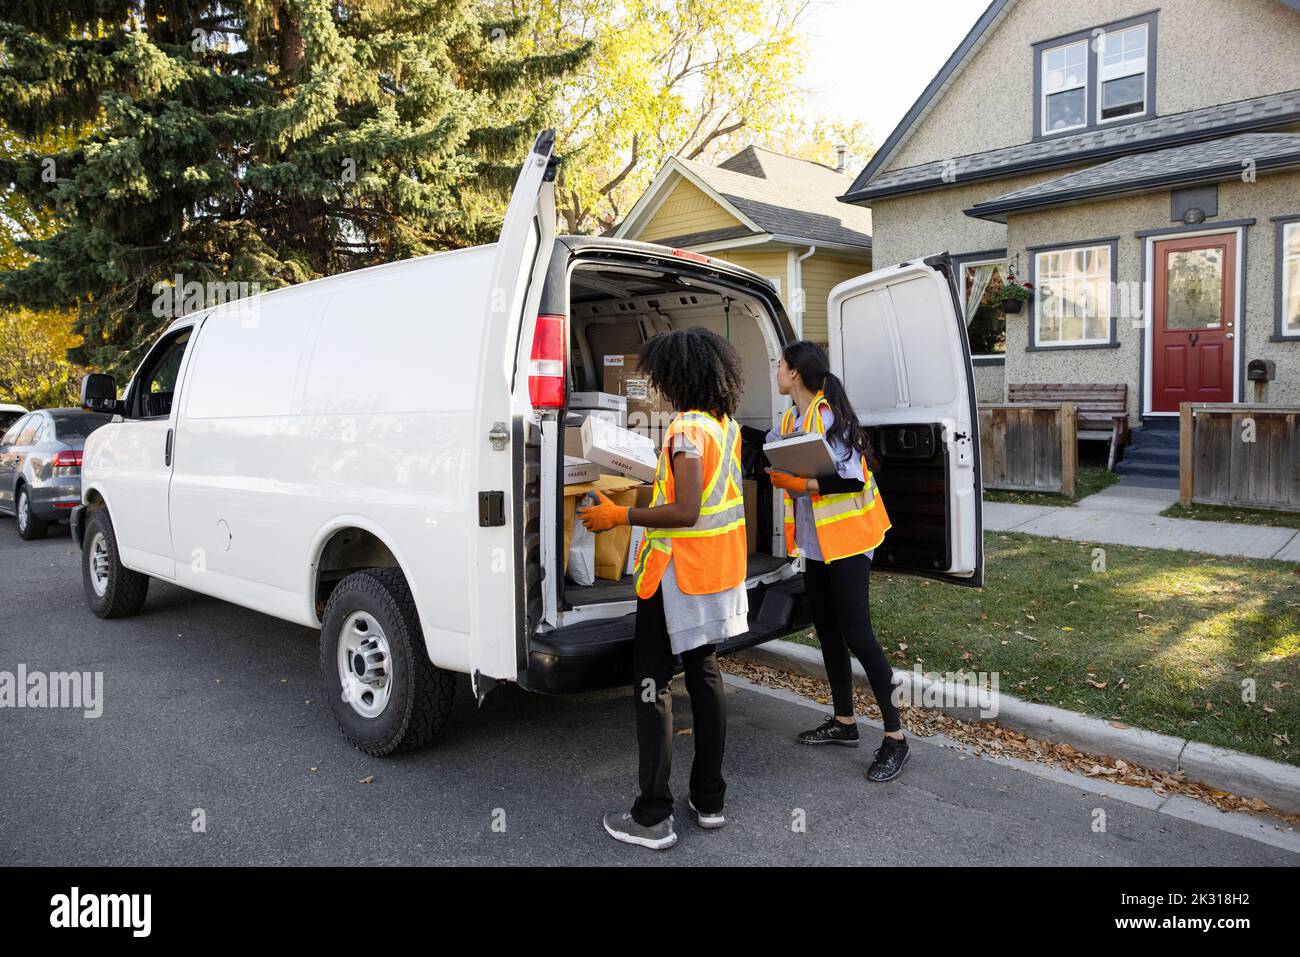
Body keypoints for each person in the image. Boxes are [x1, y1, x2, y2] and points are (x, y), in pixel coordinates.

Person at [579, 326, 748, 851]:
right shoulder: (724, 426)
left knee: (653, 689)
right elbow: (694, 496)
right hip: (713, 572)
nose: (653, 388)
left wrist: (618, 514)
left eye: (657, 379)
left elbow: (686, 510)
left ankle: (652, 816)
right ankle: (709, 799)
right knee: (704, 675)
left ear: (678, 377)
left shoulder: (684, 431)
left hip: (676, 575)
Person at [764, 340, 908, 782]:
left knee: (858, 636)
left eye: (780, 365)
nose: (777, 370)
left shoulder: (827, 415)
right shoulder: (792, 417)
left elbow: (850, 481)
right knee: (827, 631)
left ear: (794, 374)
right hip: (818, 544)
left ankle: (896, 737)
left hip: (849, 541)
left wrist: (798, 483)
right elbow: (776, 452)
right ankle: (845, 723)